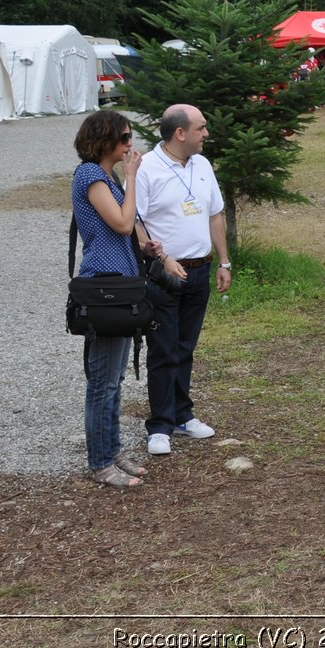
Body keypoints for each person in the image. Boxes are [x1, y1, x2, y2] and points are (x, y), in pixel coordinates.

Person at [136, 104, 229, 456]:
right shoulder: (147, 168)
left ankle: (182, 415)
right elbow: (136, 220)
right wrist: (161, 257)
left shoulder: (202, 165)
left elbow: (214, 214)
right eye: (201, 128)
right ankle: (159, 425)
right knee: (163, 348)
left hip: (200, 269)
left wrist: (224, 261)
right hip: (163, 274)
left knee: (185, 346)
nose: (206, 134)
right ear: (180, 133)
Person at [71, 109, 150, 488]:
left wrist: (148, 245)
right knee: (102, 380)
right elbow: (120, 222)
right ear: (104, 140)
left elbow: (127, 226)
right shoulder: (90, 175)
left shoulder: (107, 176)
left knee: (115, 378)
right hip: (104, 285)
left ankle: (112, 450)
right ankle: (100, 463)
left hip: (120, 281)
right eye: (124, 138)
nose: (129, 144)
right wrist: (132, 178)